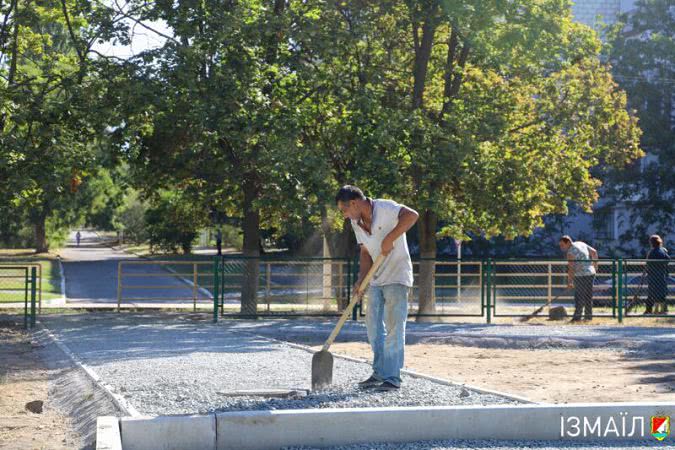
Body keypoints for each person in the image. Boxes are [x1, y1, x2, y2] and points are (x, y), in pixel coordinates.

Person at [336, 185, 418, 392]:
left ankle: (392, 377)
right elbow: (365, 253)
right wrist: (361, 280)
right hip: (375, 277)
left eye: (344, 210)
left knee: (394, 327)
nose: (344, 216)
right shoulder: (356, 222)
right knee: (373, 326)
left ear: (354, 203)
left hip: (397, 275)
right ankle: (379, 372)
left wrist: (390, 237)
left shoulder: (386, 208)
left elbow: (412, 215)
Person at [559, 236, 598, 322]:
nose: (561, 247)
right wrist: (595, 267)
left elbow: (571, 269)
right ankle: (588, 317)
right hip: (591, 273)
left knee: (579, 296)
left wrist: (569, 282)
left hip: (580, 275)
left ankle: (577, 317)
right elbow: (594, 252)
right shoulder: (581, 243)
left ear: (568, 242)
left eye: (562, 245)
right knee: (588, 296)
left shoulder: (570, 253)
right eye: (560, 245)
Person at [645, 235, 670, 314]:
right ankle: (664, 309)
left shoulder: (651, 252)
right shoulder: (662, 251)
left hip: (652, 275)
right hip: (661, 275)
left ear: (652, 243)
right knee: (662, 293)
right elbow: (668, 260)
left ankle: (649, 310)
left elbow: (648, 263)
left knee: (651, 293)